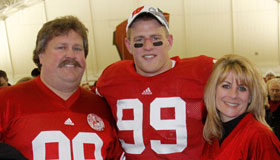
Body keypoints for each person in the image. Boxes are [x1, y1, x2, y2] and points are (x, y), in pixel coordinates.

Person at [96, 5, 215, 159]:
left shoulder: (201, 70)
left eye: (156, 39)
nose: (148, 47)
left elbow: (243, 78)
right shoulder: (113, 77)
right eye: (139, 40)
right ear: (128, 45)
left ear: (169, 41)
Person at [0, 15, 124, 159]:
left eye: (78, 49)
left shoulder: (102, 106)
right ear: (40, 55)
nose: (71, 55)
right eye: (61, 47)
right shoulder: (7, 99)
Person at [201, 54, 280, 159]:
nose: (233, 95)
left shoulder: (260, 137)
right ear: (214, 90)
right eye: (226, 86)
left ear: (251, 96)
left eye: (242, 88)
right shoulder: (212, 135)